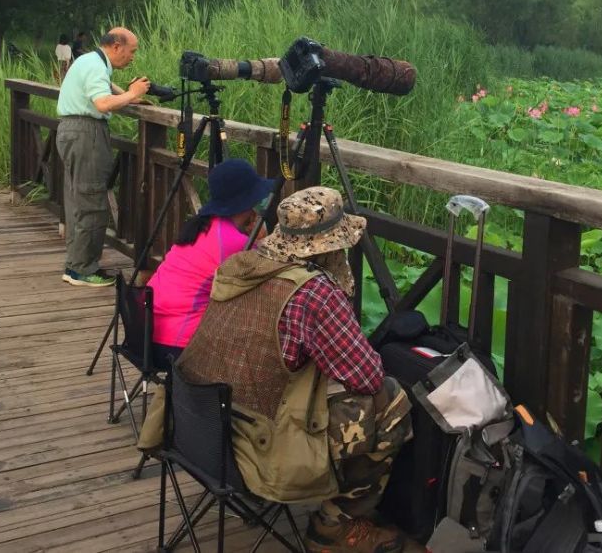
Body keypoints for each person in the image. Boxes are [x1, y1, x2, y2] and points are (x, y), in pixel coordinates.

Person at [164, 186, 418, 553]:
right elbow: (367, 377)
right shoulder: (313, 292)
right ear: (332, 245)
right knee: (391, 402)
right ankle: (334, 525)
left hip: (204, 432)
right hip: (259, 448)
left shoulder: (241, 266)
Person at [146, 159, 273, 364]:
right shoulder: (234, 242)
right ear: (249, 201)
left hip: (147, 335)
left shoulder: (200, 226)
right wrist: (262, 235)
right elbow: (272, 265)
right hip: (180, 347)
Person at [56, 27, 150, 287]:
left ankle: (75, 266)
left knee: (78, 201)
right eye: (132, 51)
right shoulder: (96, 66)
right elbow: (102, 103)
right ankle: (83, 270)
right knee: (92, 202)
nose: (132, 57)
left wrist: (130, 97)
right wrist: (132, 95)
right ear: (116, 46)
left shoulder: (88, 61)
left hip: (70, 130)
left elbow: (105, 89)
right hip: (86, 133)